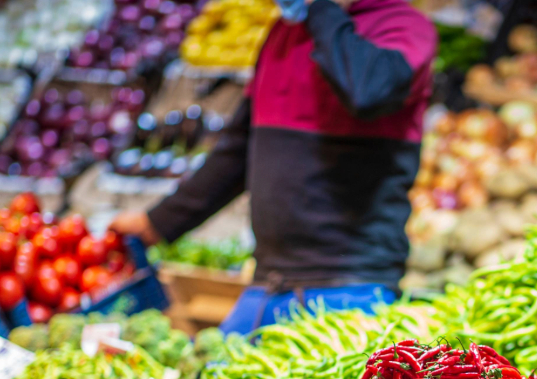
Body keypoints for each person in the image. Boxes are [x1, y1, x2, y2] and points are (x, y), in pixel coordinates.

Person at [111, 0, 436, 333]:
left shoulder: (404, 26)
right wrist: (157, 224)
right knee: (211, 377)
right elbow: (237, 152)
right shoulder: (285, 33)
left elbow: (369, 90)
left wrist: (321, 8)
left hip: (352, 287)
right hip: (269, 284)